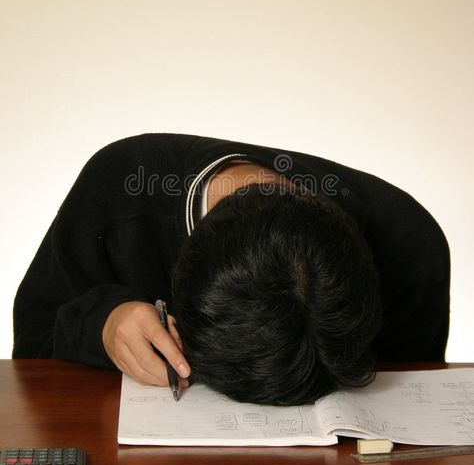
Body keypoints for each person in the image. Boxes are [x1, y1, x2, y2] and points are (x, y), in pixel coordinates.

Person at [12, 133, 450, 405]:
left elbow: (410, 406)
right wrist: (103, 322)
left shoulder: (412, 244)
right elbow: (31, 355)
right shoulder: (119, 190)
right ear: (181, 282)